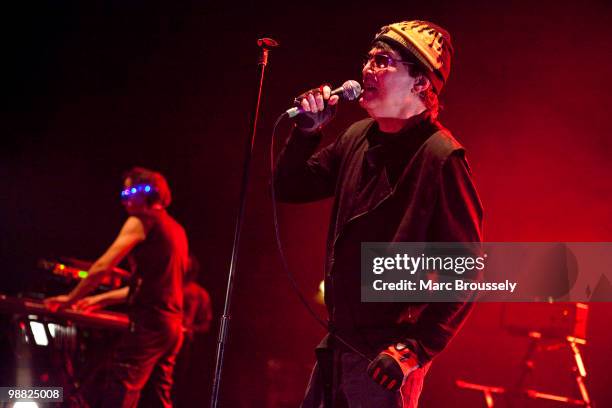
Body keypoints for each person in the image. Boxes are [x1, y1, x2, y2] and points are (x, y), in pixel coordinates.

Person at [274, 20, 483, 407]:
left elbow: (464, 270)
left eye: (383, 61)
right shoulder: (358, 136)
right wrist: (304, 135)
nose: (367, 69)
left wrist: (413, 350)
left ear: (421, 82)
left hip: (386, 358)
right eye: (368, 59)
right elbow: (291, 188)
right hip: (339, 345)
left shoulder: (441, 157)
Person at [45, 167, 189, 408]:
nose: (125, 199)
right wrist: (98, 301)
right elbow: (152, 286)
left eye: (130, 191)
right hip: (172, 327)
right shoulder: (177, 230)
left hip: (149, 326)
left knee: (120, 391)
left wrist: (70, 299)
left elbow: (103, 266)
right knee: (157, 398)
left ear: (148, 193)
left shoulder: (142, 220)